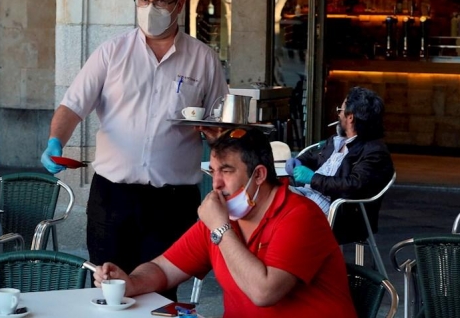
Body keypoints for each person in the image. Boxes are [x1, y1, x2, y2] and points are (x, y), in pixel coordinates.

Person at [41, 0, 229, 299]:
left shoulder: (203, 59)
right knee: (107, 290)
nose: (149, 8)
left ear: (178, 5)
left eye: (160, 1)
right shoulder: (112, 53)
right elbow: (72, 106)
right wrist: (56, 141)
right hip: (113, 198)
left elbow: (220, 125)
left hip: (172, 202)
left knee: (161, 295)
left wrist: (216, 137)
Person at [94, 128, 357, 318]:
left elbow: (264, 293)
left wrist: (221, 229)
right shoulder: (225, 214)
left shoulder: (299, 216)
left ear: (259, 175)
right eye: (213, 172)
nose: (216, 183)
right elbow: (163, 269)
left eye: (227, 172)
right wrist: (131, 282)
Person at [285, 86, 394, 243]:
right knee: (269, 195)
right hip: (310, 197)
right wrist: (299, 162)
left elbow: (354, 185)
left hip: (339, 211)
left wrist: (312, 178)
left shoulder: (374, 151)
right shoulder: (338, 140)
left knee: (278, 212)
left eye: (340, 110)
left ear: (350, 117)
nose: (338, 114)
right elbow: (313, 156)